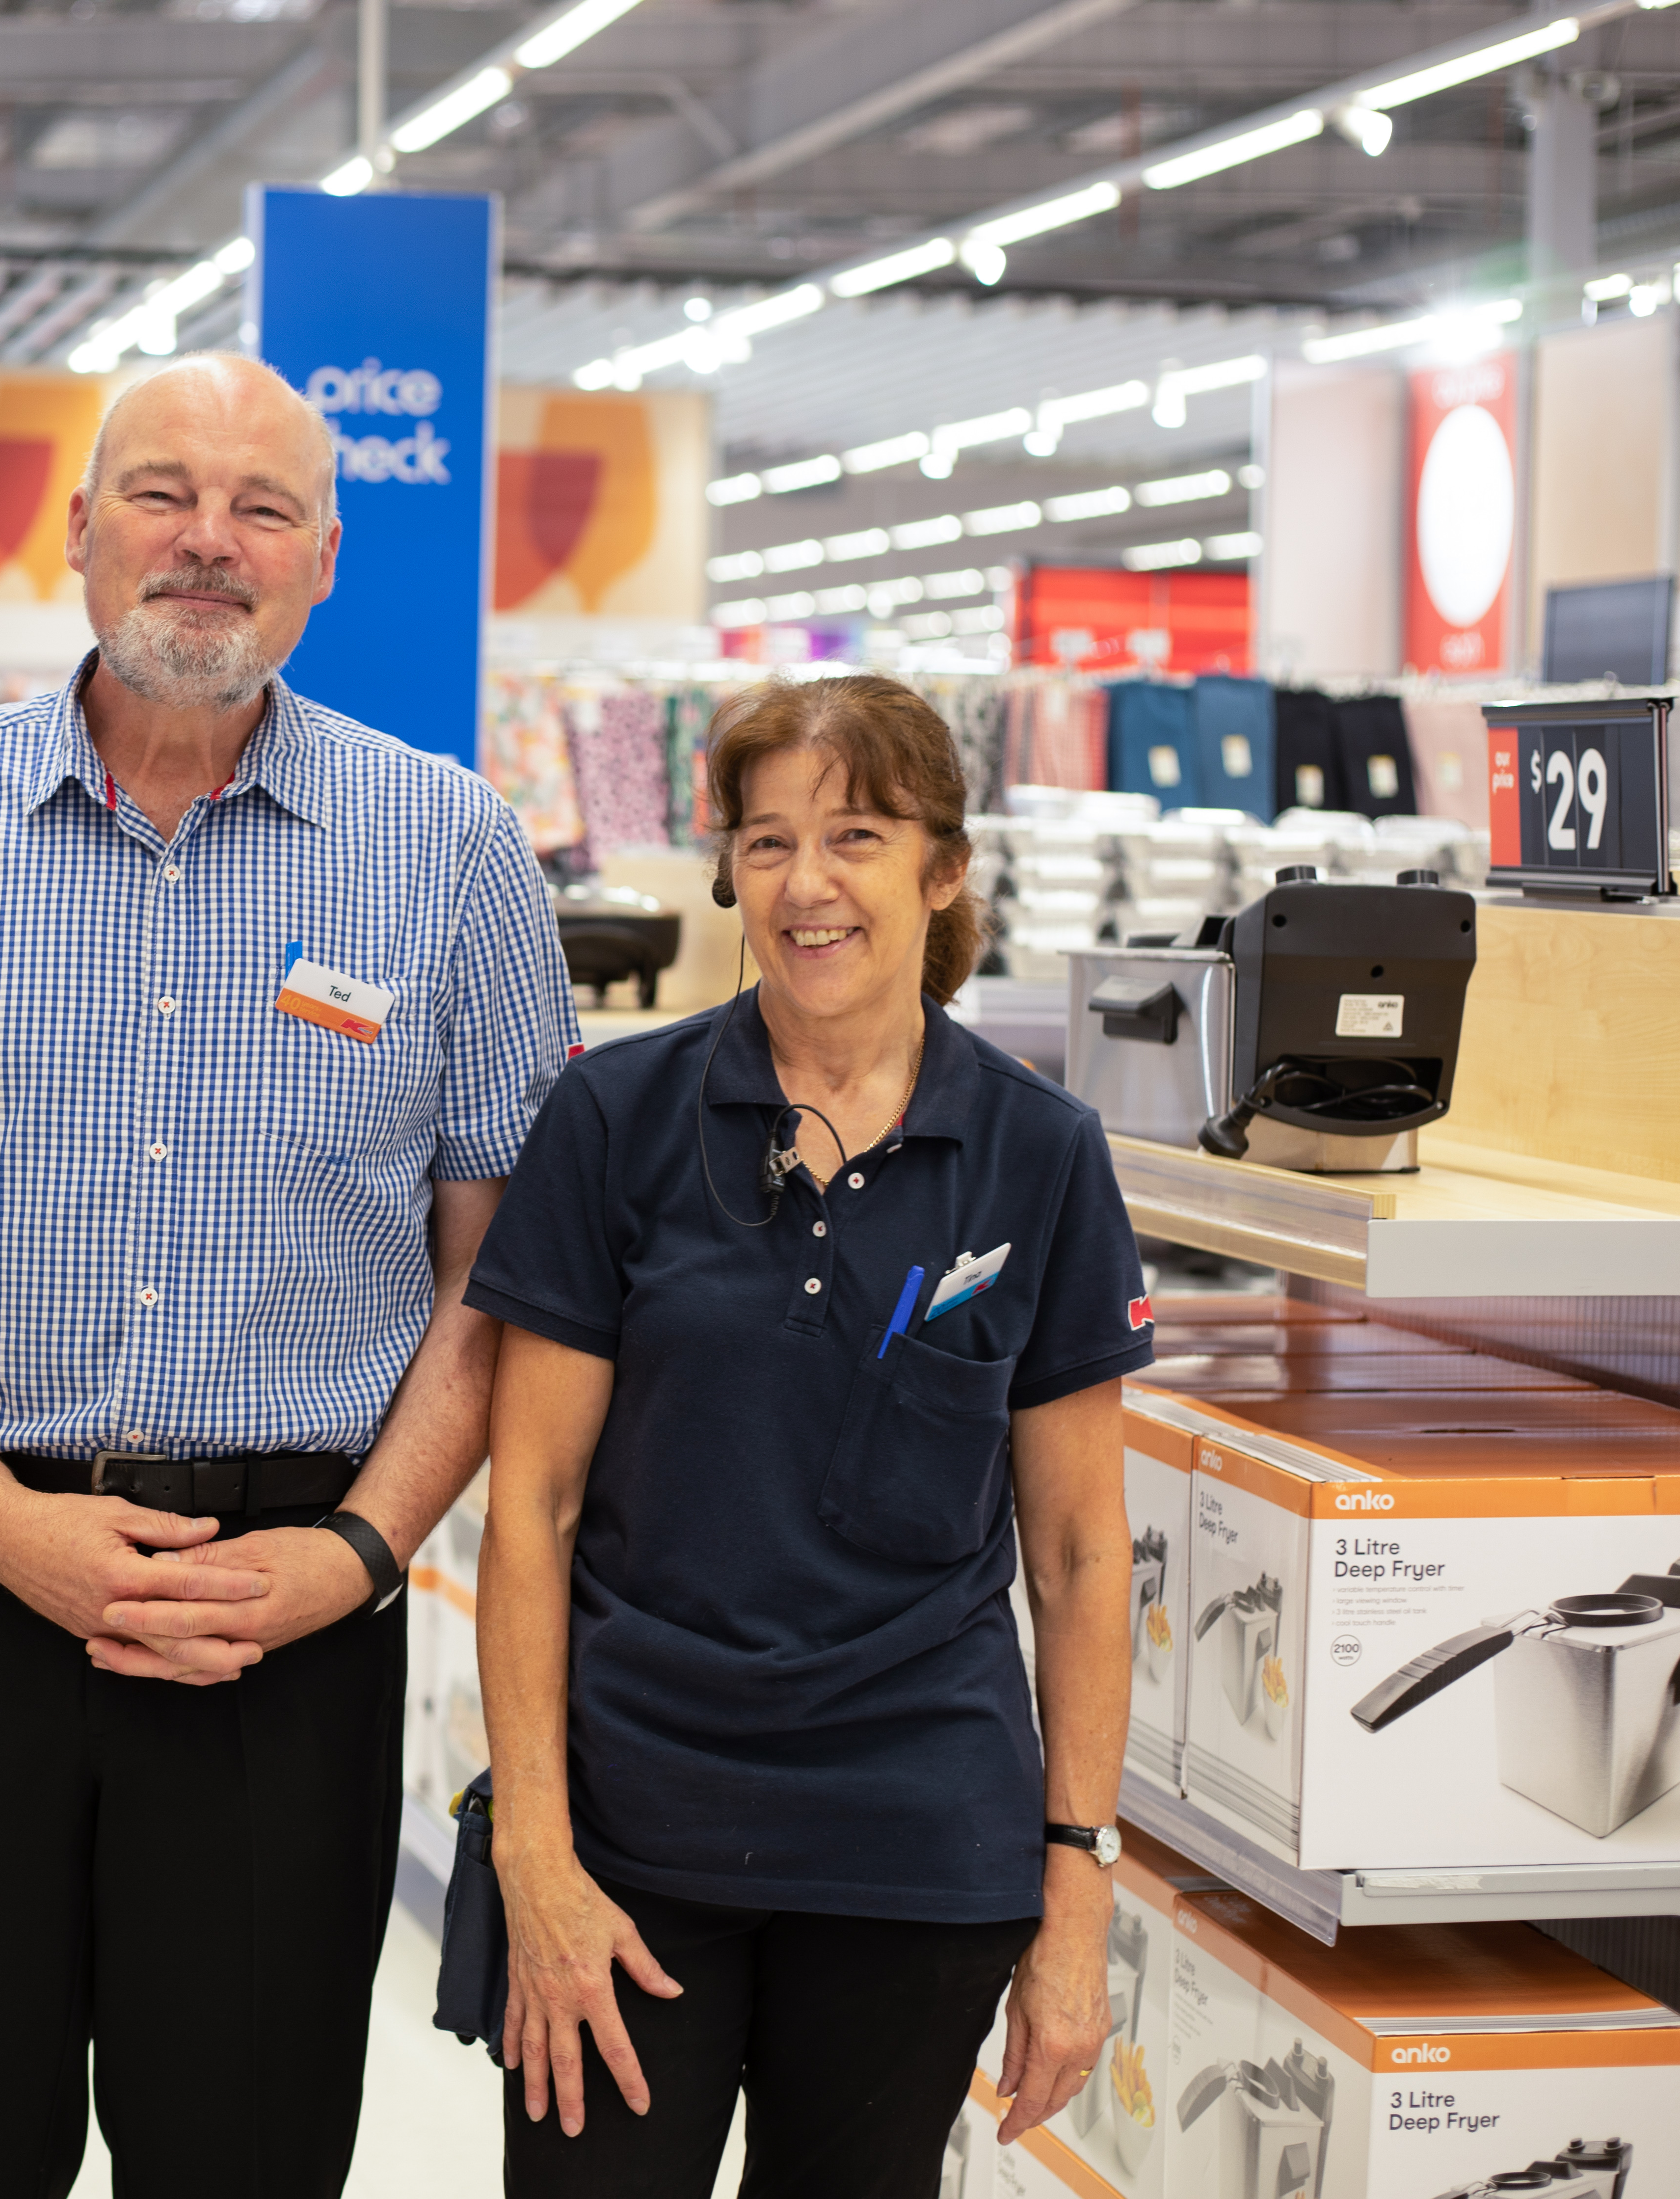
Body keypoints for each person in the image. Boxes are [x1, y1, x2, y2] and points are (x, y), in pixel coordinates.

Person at [0, 349, 580, 2199]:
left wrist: (355, 1560)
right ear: (78, 530)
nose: (210, 541)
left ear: (327, 559)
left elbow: (502, 1276)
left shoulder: (453, 854)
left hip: (287, 1628)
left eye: (264, 506)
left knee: (248, 2156)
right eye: (165, 494)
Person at [466, 674, 1145, 2196]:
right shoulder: (616, 1120)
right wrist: (536, 1856)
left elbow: (1086, 1552)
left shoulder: (1041, 1155)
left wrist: (1079, 1896)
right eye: (767, 844)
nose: (809, 884)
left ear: (944, 868)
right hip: (634, 1842)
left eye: (856, 835)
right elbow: (535, 1508)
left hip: (917, 1842)